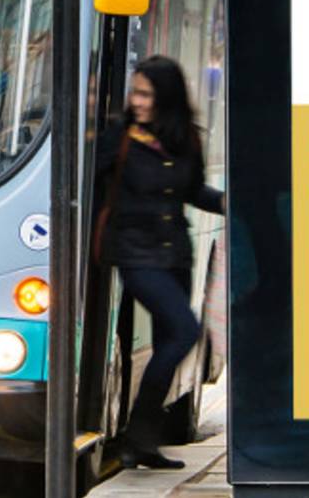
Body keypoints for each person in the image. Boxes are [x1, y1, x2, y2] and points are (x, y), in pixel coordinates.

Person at [96, 55, 225, 470]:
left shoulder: (184, 138)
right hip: (135, 254)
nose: (137, 101)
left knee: (173, 340)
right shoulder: (117, 139)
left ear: (165, 97)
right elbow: (89, 187)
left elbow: (190, 191)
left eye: (145, 93)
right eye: (135, 92)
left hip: (175, 254)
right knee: (186, 332)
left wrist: (228, 202)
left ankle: (143, 443)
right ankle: (138, 434)